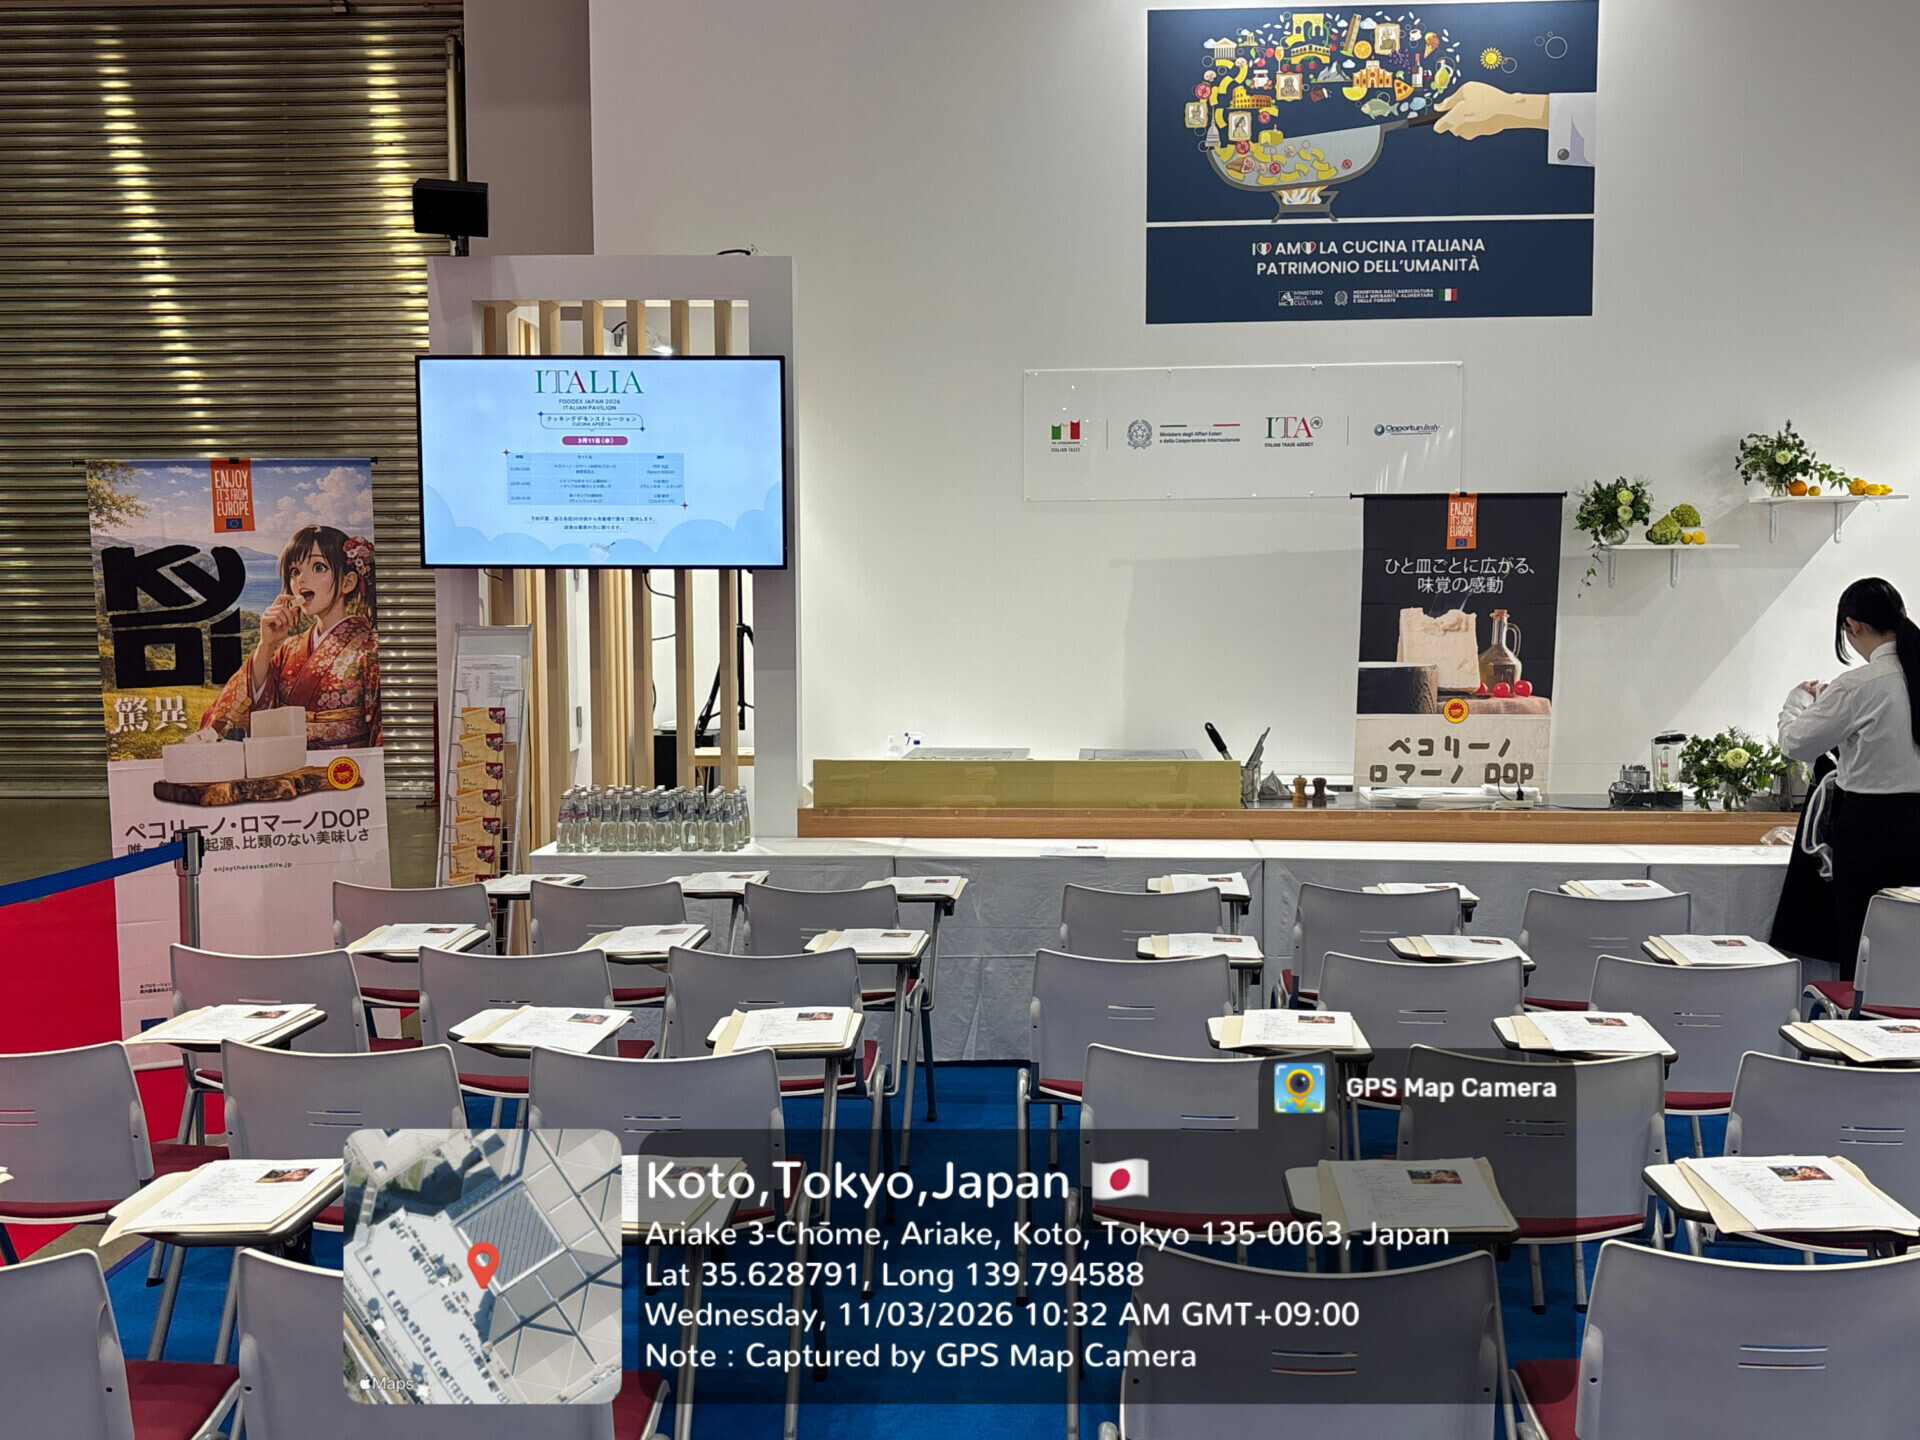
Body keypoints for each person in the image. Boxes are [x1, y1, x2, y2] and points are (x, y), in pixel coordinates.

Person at [1777, 577, 1920, 976]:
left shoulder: (1859, 686)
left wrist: (1797, 702)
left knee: (1864, 945)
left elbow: (1796, 744)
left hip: (1872, 829)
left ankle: (1860, 1012)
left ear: (1853, 625)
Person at [199, 524, 381, 749]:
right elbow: (253, 708)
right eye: (295, 571)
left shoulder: (371, 650)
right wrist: (266, 645)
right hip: (287, 760)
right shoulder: (289, 648)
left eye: (318, 567)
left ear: (348, 582)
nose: (301, 579)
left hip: (346, 765)